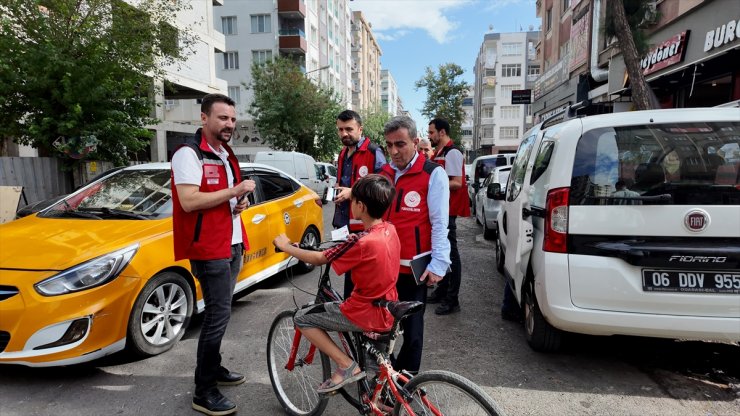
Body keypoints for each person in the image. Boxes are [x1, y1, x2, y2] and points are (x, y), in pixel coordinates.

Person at [272, 174, 400, 393]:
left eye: (353, 200)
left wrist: (286, 247)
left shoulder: (360, 241)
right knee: (374, 383)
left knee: (302, 318)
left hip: (363, 312)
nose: (351, 203)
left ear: (360, 206)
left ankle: (345, 365)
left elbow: (320, 258)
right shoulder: (390, 229)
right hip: (388, 307)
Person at [171, 93, 256, 416]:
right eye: (222, 118)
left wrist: (238, 203)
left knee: (220, 314)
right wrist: (235, 191)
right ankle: (203, 391)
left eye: (232, 119)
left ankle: (214, 367)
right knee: (217, 317)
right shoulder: (188, 154)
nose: (229, 125)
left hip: (231, 242)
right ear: (204, 118)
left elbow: (219, 199)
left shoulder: (224, 153)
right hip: (209, 248)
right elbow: (189, 201)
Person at [379, 116, 451, 374]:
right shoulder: (384, 174)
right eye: (389, 145)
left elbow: (440, 223)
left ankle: (405, 382)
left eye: (401, 144)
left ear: (415, 141)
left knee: (412, 332)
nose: (395, 151)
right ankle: (385, 378)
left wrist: (439, 264)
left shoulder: (433, 174)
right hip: (383, 268)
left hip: (412, 270)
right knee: (380, 329)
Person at [333, 109, 387, 299]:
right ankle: (352, 313)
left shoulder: (373, 151)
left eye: (349, 129)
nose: (344, 134)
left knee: (362, 276)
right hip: (343, 222)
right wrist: (338, 190)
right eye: (340, 130)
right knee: (349, 271)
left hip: (363, 226)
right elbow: (344, 183)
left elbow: (383, 185)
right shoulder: (342, 154)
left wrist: (353, 192)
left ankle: (359, 318)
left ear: (360, 129)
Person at [426, 118, 470, 315]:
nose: (430, 136)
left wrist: (433, 185)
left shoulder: (452, 152)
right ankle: (442, 291)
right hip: (443, 210)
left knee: (451, 255)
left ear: (442, 132)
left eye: (432, 132)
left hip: (449, 211)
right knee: (441, 252)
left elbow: (458, 182)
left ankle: (452, 300)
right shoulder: (440, 153)